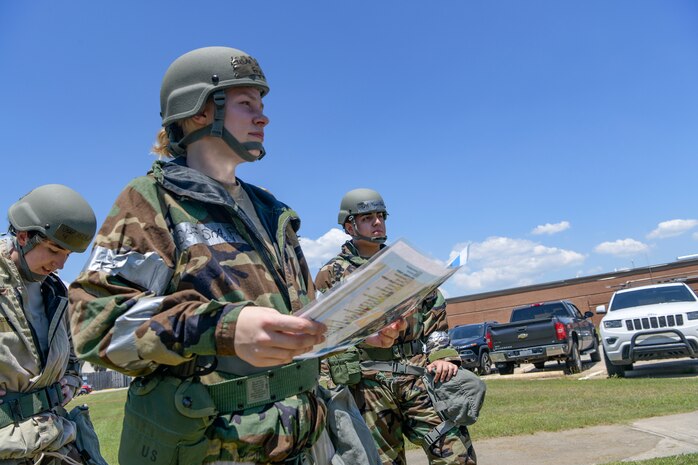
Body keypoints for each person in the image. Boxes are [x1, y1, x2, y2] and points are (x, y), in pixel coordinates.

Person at [68, 46, 403, 465]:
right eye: (246, 104)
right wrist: (222, 328)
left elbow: (301, 322)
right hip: (214, 448)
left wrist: (354, 336)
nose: (263, 117)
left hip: (302, 440)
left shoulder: (272, 212)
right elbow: (96, 325)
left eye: (262, 106)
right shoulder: (151, 201)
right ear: (197, 112)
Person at [315, 188, 478, 465]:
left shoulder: (404, 265)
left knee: (456, 455)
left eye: (381, 216)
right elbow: (327, 328)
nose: (377, 222)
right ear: (349, 225)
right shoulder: (333, 273)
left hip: (417, 374)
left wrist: (442, 356)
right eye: (367, 217)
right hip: (367, 382)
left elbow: (433, 308)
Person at [0, 184, 98, 464]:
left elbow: (74, 355)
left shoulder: (57, 295)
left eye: (67, 255)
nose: (60, 264)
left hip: (56, 443)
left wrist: (71, 380)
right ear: (23, 236)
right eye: (54, 249)